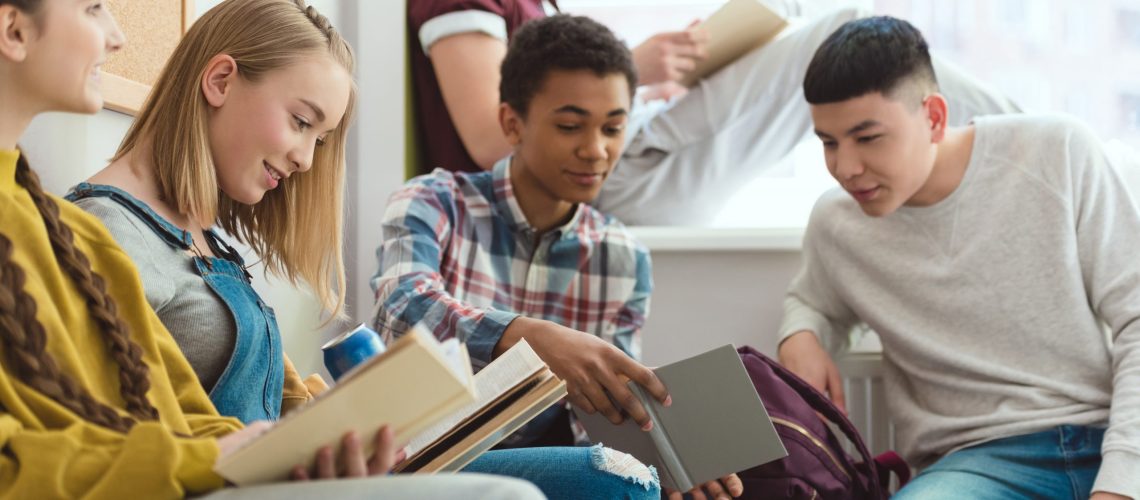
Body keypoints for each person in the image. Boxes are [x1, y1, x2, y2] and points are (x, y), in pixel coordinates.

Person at [66, 1, 653, 499]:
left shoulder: (203, 239)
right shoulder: (107, 232)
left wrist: (336, 417)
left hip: (294, 473)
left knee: (627, 477)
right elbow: (107, 431)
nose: (304, 160)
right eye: (301, 122)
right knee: (605, 484)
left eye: (319, 139)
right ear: (219, 81)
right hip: (244, 483)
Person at [375, 14, 743, 500]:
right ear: (512, 122)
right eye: (571, 126)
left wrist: (669, 460)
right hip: (421, 456)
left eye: (613, 128)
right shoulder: (432, 201)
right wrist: (526, 337)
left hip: (546, 464)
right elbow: (401, 310)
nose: (596, 151)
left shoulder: (624, 258)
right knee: (613, 480)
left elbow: (603, 413)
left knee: (649, 478)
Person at [776, 16, 1138, 500]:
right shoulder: (838, 223)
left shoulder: (1058, 151)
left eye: (867, 138)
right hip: (974, 464)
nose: (845, 167)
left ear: (934, 117)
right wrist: (800, 333)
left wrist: (1122, 481)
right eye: (828, 142)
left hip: (1106, 434)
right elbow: (812, 299)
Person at [408, 0, 1020, 225]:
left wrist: (644, 83)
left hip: (629, 165)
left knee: (807, 30)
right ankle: (1019, 131)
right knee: (843, 30)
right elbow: (494, 139)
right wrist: (631, 73)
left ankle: (1017, 133)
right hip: (615, 180)